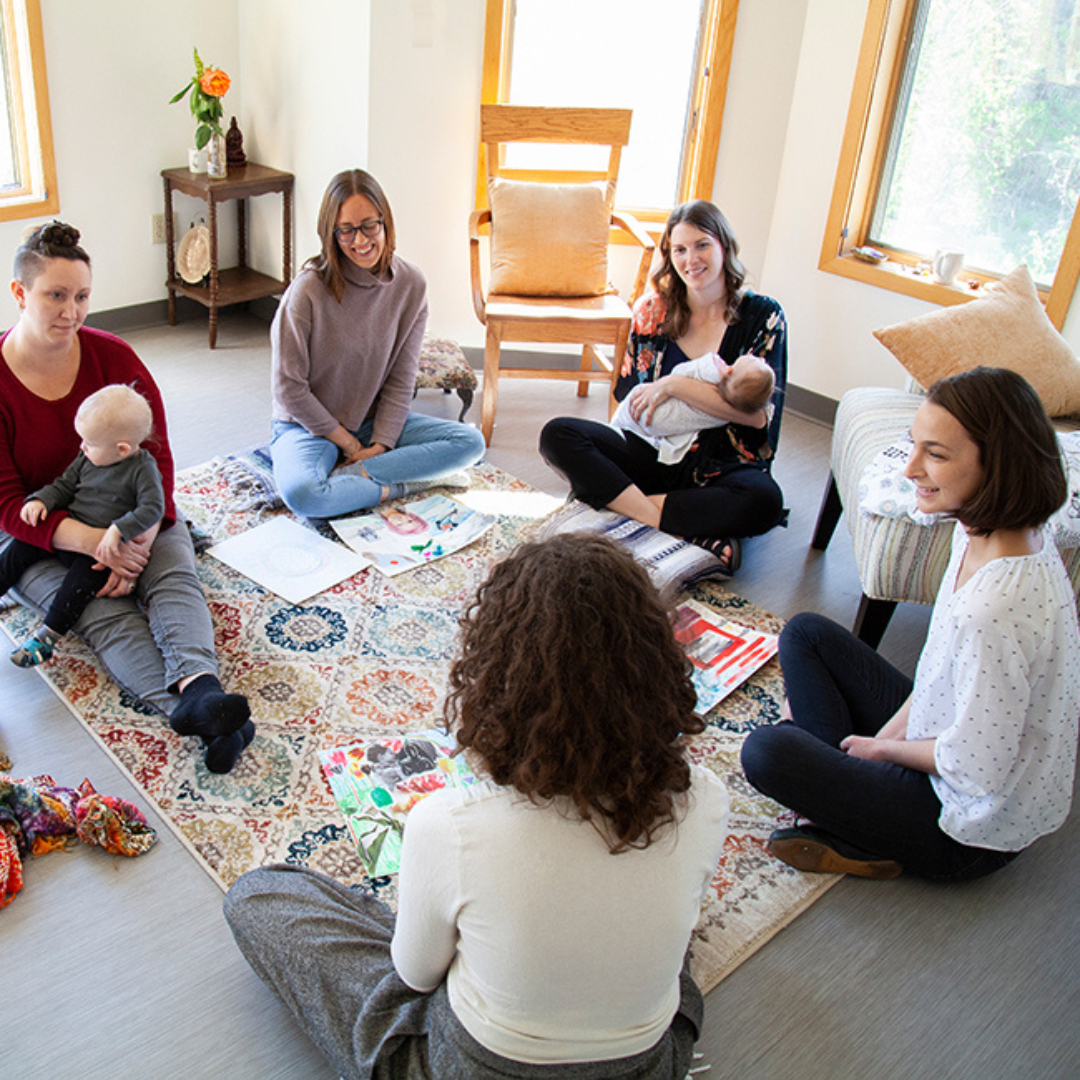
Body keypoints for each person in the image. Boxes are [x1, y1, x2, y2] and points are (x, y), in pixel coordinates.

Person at [224, 533, 728, 1079]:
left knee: (258, 896)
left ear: (498, 677)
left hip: (476, 1069)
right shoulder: (707, 797)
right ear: (654, 660)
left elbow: (416, 975)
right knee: (664, 942)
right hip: (649, 1065)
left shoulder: (450, 822)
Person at [741, 366, 1080, 882]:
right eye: (914, 445)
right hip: (952, 737)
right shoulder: (987, 529)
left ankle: (849, 817)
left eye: (937, 455)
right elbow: (938, 679)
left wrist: (879, 748)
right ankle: (841, 790)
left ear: (999, 467)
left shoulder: (994, 609)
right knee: (806, 632)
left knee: (767, 751)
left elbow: (976, 767)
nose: (911, 469)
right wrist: (877, 747)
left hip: (967, 829)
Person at [0, 222, 254, 773]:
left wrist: (136, 538)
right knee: (102, 612)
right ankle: (199, 713)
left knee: (171, 577)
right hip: (39, 534)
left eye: (83, 296)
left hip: (131, 517)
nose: (72, 311)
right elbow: (6, 503)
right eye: (56, 295)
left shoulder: (115, 358)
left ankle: (201, 688)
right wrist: (95, 543)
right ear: (19, 293)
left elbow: (158, 460)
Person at [540, 199, 787, 575]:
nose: (692, 259)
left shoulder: (763, 316)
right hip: (653, 454)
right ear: (670, 256)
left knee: (765, 500)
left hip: (722, 466)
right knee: (558, 434)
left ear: (724, 245)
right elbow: (631, 402)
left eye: (702, 244)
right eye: (680, 249)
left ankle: (621, 509)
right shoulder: (651, 311)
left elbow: (757, 419)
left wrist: (675, 384)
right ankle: (678, 525)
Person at [270, 169, 485, 520]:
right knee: (304, 495)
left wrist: (381, 446)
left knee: (471, 444)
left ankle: (354, 481)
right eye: (346, 230)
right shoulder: (307, 291)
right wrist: (350, 444)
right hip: (306, 425)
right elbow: (289, 389)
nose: (360, 240)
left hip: (370, 421)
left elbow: (401, 379)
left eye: (369, 225)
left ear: (385, 222)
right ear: (331, 233)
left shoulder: (411, 285)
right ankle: (406, 485)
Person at [6, 383, 165, 668]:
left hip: (101, 551)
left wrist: (119, 530)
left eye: (88, 443)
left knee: (77, 587)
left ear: (122, 449)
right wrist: (41, 500)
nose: (81, 447)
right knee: (18, 549)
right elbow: (65, 485)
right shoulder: (87, 457)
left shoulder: (143, 469)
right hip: (71, 531)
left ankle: (47, 637)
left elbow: (153, 508)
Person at [611, 351, 775, 465]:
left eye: (756, 361)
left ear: (729, 370)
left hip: (652, 419)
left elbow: (679, 372)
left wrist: (674, 385)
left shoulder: (712, 369)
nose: (761, 359)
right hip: (652, 429)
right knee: (589, 436)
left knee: (762, 495)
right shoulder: (732, 407)